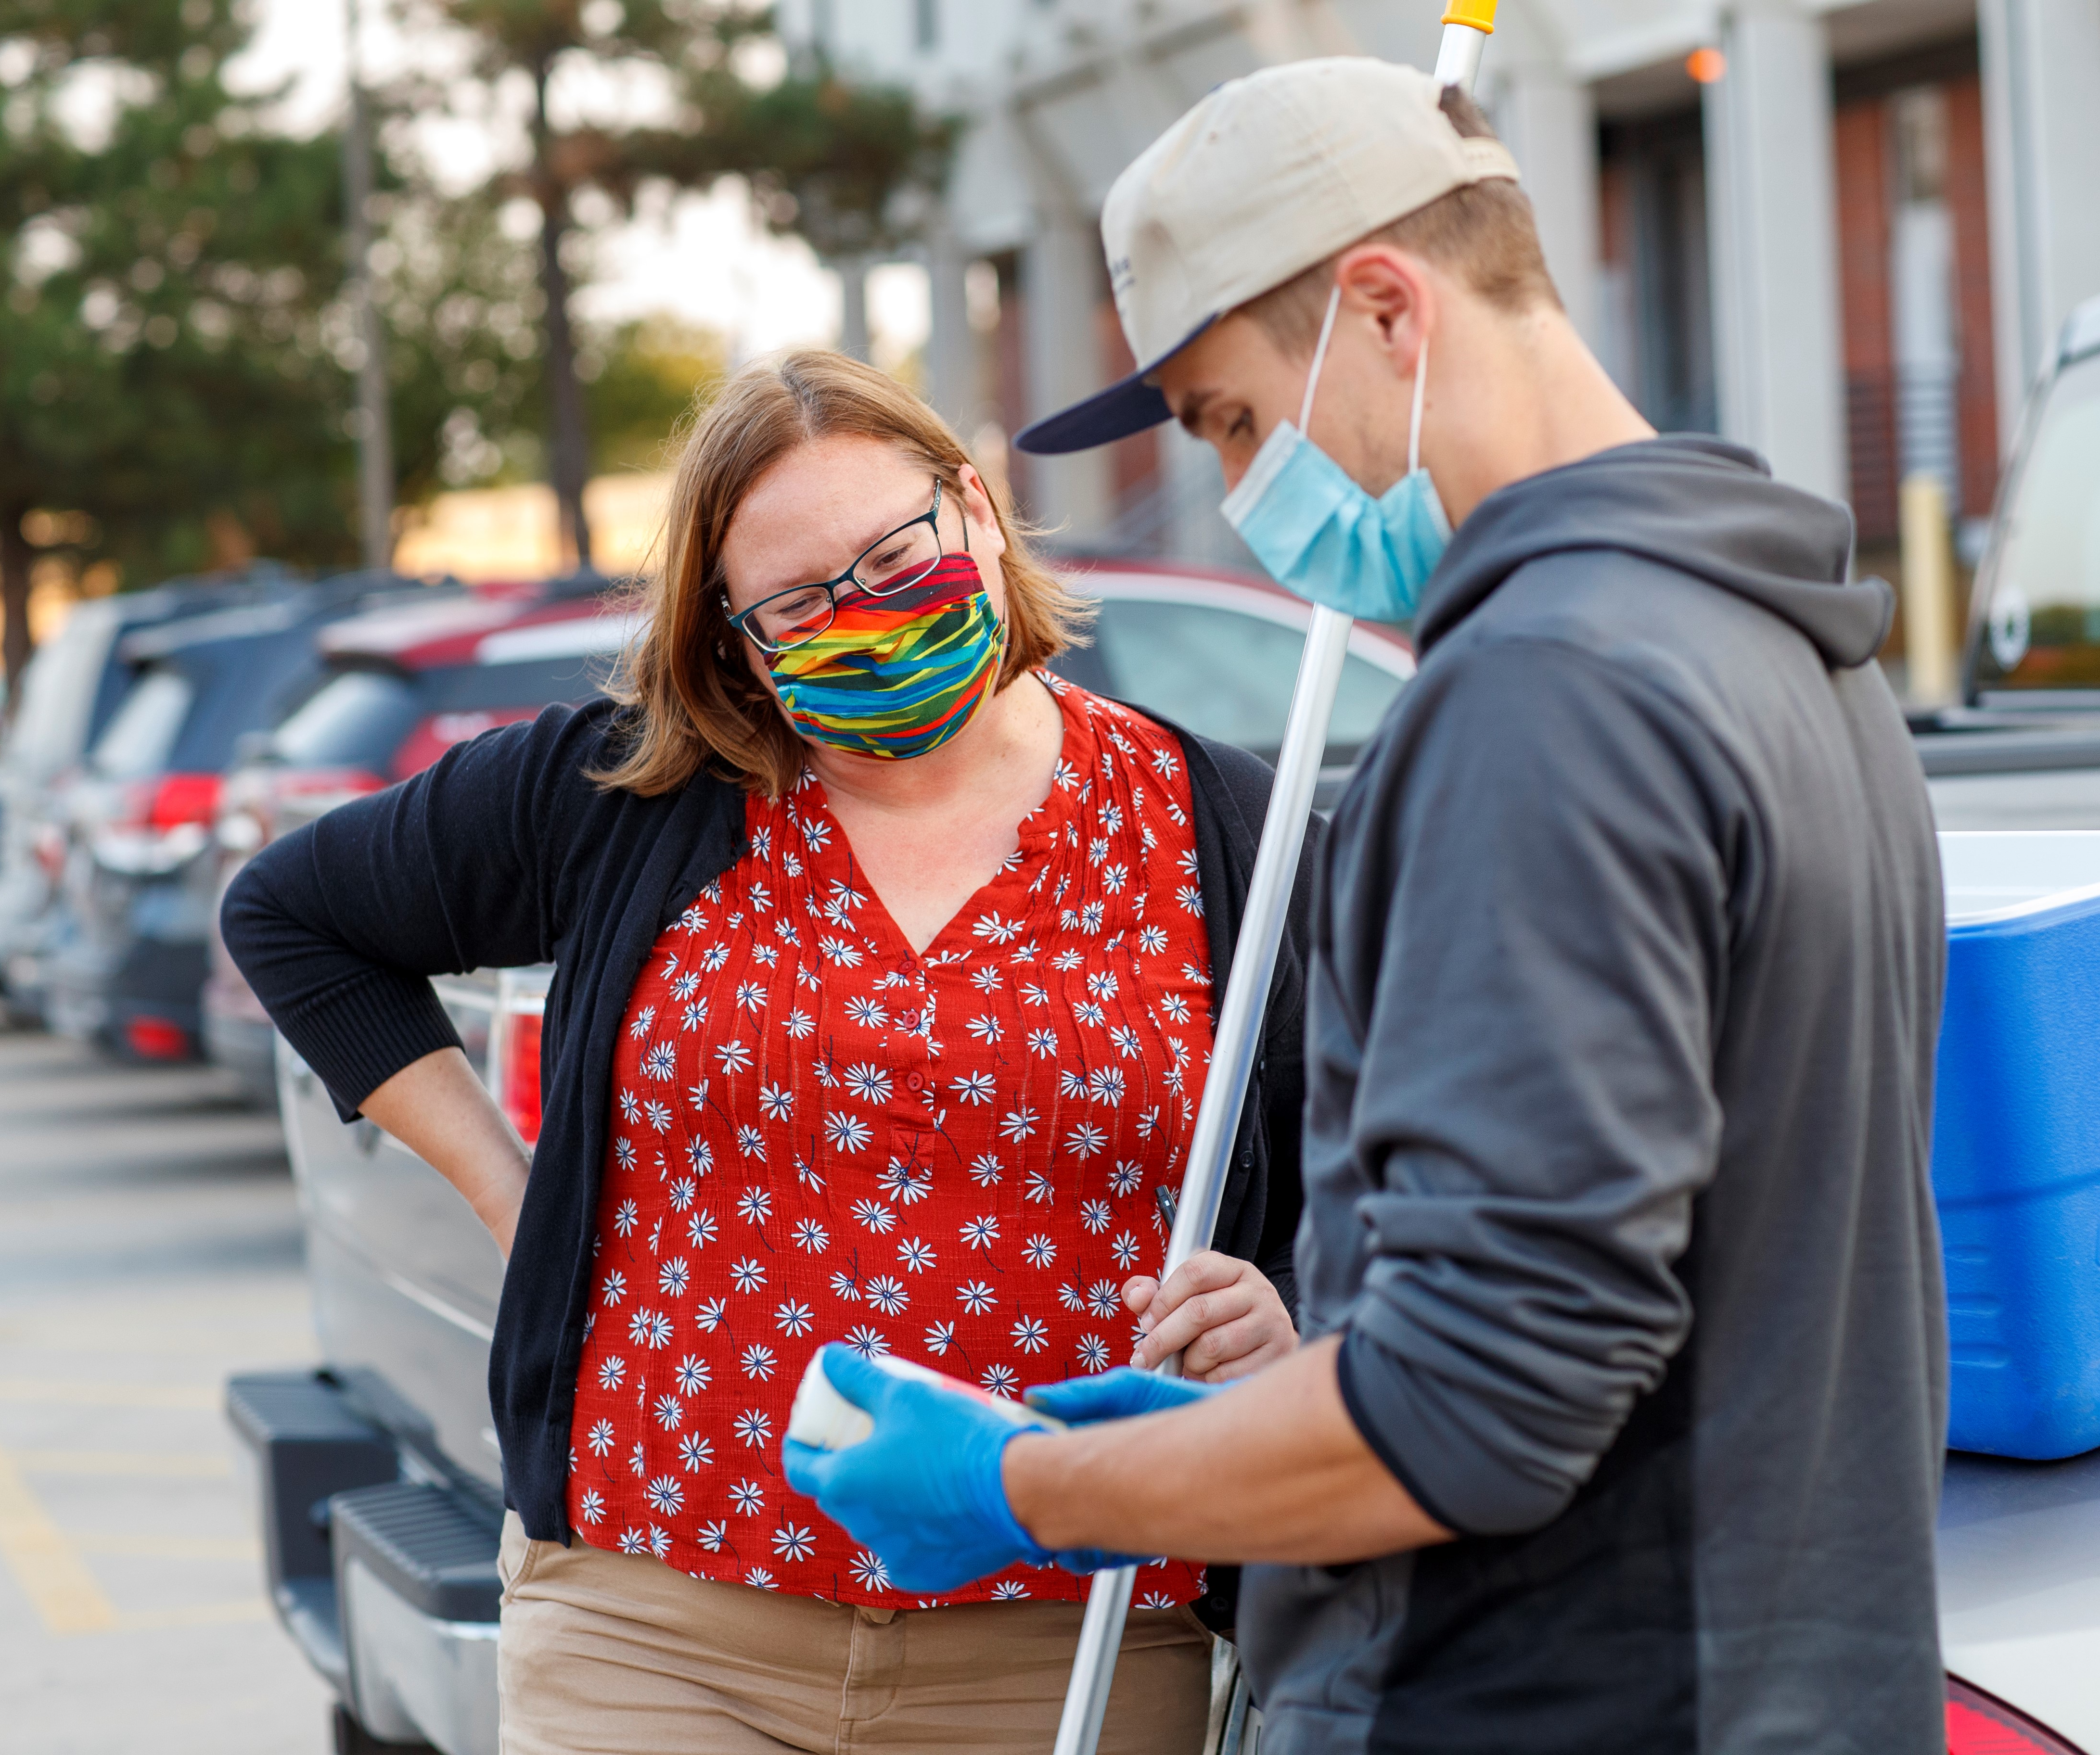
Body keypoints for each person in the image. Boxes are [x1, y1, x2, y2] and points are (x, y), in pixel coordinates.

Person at [784, 57, 1951, 1755]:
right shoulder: (1777, 647)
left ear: (1388, 310)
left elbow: (1483, 1409)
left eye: (1238, 421)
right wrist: (1271, 1402)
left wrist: (1033, 1480)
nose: (1247, 496)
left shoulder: (1549, 700)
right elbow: (1639, 1305)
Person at [222, 351, 1319, 1755]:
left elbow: (1386, 1170)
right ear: (736, 636)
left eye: (892, 557)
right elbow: (292, 917)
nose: (860, 617)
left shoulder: (1228, 831)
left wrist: (1291, 1305)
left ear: (977, 511)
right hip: (654, 1628)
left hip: (1076, 1636)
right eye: (799, 603)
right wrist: (520, 1201)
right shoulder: (633, 793)